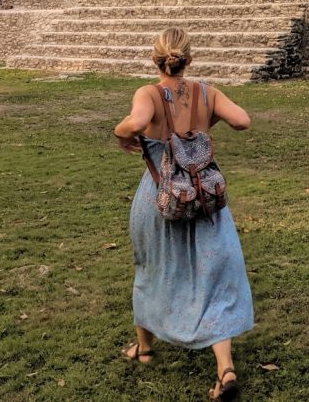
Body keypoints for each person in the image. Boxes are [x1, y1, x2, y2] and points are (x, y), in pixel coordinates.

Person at [113, 28, 254, 401]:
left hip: (160, 196)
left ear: (155, 59)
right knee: (213, 276)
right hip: (204, 196)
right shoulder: (207, 93)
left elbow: (138, 123)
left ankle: (143, 348)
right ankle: (225, 369)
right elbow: (242, 120)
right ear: (189, 59)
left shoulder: (148, 94)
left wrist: (120, 131)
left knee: (151, 267)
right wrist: (201, 128)